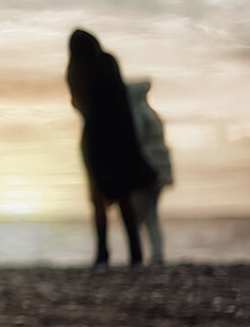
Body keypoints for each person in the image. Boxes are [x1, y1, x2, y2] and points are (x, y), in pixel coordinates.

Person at [66, 29, 156, 270]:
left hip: (95, 139)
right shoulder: (106, 62)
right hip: (116, 138)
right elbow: (120, 101)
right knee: (123, 197)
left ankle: (102, 255)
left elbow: (77, 103)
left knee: (98, 199)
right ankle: (135, 255)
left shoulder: (76, 69)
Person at [127, 80, 173, 266]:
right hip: (160, 168)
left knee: (139, 214)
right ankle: (156, 254)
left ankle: (138, 253)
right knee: (152, 214)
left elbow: (135, 141)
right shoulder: (152, 113)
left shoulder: (139, 114)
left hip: (147, 168)